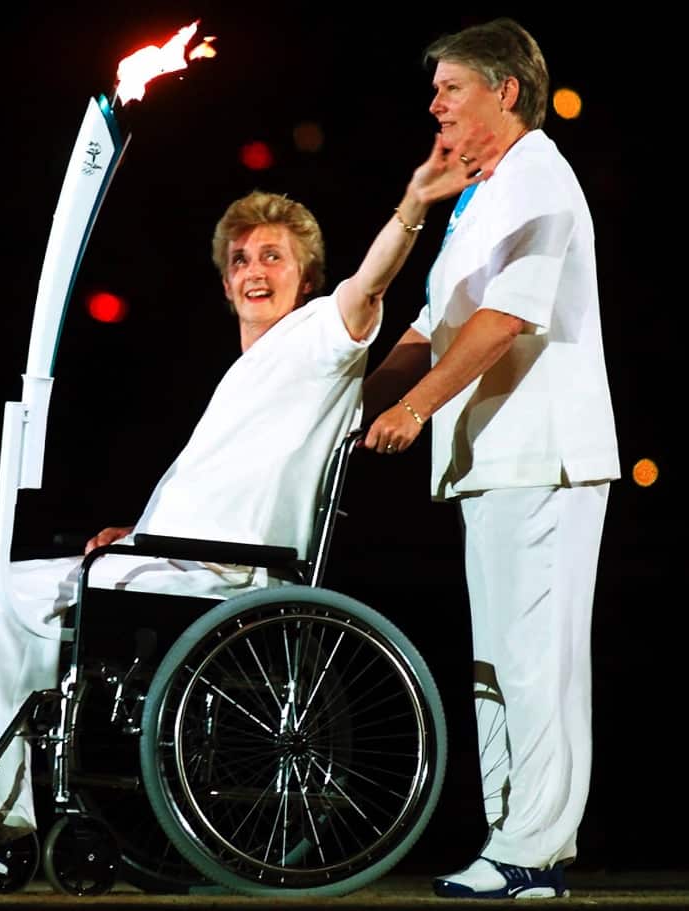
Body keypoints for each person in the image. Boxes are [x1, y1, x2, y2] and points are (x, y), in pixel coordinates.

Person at [0, 132, 494, 873]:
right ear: (225, 285)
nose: (254, 271)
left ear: (306, 276)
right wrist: (142, 533)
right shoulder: (241, 376)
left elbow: (371, 285)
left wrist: (413, 205)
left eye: (273, 257)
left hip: (221, 581)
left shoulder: (320, 340)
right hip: (169, 562)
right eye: (240, 261)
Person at [360, 17, 619, 901]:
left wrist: (412, 408)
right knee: (495, 664)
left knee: (536, 657)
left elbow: (505, 317)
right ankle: (507, 838)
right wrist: (347, 399)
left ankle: (535, 850)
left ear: (505, 92)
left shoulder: (538, 173)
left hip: (543, 454)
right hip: (490, 459)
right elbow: (432, 324)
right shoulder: (480, 193)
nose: (434, 102)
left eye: (452, 87)